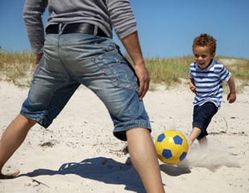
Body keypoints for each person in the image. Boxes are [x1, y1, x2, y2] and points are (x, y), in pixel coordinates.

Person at [0, 0, 165, 192]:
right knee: (133, 119)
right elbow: (119, 10)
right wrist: (138, 62)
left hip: (54, 46)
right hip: (92, 43)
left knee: (29, 112)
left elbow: (30, 12)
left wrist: (39, 53)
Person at [188, 33, 236, 145]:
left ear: (212, 55)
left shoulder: (217, 68)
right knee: (200, 129)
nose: (199, 59)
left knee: (199, 122)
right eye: (196, 55)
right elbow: (191, 77)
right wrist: (191, 84)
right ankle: (204, 153)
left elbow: (229, 78)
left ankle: (188, 142)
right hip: (198, 101)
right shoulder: (193, 67)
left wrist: (232, 92)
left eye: (203, 56)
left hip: (212, 101)